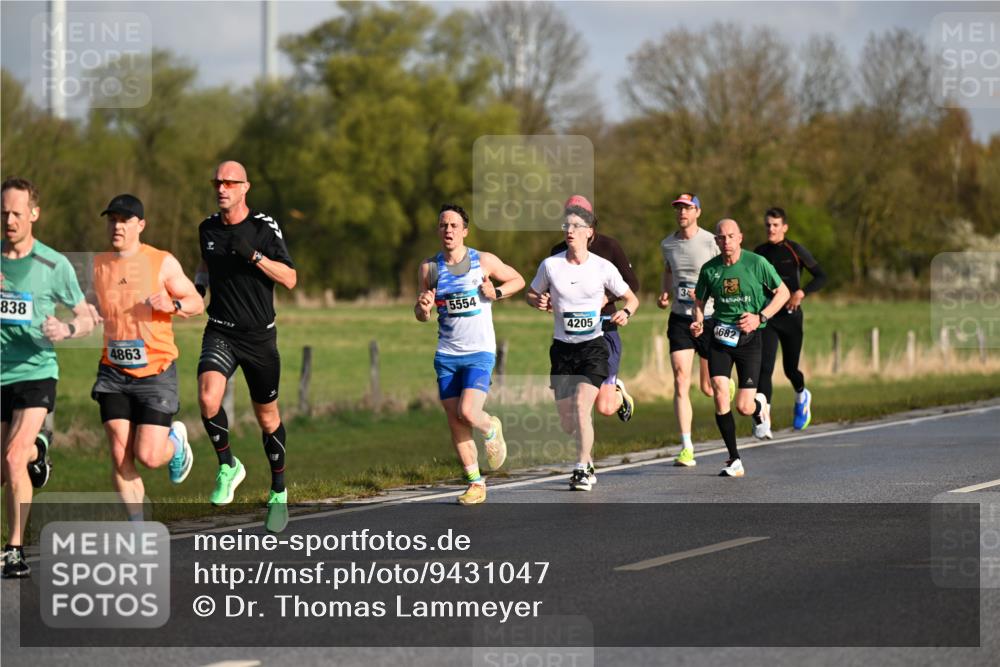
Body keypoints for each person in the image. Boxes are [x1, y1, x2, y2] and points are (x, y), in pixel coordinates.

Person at [195, 161, 297, 533]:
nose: (222, 188)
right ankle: (228, 466)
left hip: (259, 338)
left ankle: (278, 492)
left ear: (245, 188)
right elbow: (205, 262)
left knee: (267, 418)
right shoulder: (206, 227)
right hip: (220, 330)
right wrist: (198, 288)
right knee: (207, 399)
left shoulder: (263, 228)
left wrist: (253, 255)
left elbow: (290, 278)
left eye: (230, 182)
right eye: (217, 182)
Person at [1, 178, 94, 578]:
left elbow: (87, 317)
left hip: (37, 371)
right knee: (5, 466)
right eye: (3, 212)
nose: (9, 220)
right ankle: (40, 450)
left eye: (17, 213)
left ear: (34, 214)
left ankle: (14, 549)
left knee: (11, 456)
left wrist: (66, 331)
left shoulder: (53, 264)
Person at [90, 194, 202, 519]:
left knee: (149, 456)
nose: (117, 226)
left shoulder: (161, 261)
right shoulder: (98, 265)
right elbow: (86, 303)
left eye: (124, 220)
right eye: (112, 219)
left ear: (141, 225)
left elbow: (196, 301)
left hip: (156, 373)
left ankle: (176, 441)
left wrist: (175, 306)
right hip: (113, 372)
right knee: (119, 453)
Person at [414, 204, 525, 506]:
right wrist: (423, 309)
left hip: (479, 352)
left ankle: (490, 427)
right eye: (442, 225)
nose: (447, 230)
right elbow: (421, 313)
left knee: (469, 412)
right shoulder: (430, 268)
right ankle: (475, 483)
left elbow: (517, 279)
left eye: (453, 225)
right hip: (447, 355)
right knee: (455, 421)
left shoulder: (482, 261)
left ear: (464, 230)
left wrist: (497, 293)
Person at [527, 206, 639, 491]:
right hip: (563, 350)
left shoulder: (603, 267)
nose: (570, 231)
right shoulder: (551, 265)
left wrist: (626, 313)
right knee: (568, 422)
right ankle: (586, 459)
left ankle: (581, 469)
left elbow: (631, 298)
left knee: (581, 406)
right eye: (566, 226)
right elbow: (532, 292)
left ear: (590, 232)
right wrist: (537, 301)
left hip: (593, 347)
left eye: (576, 226)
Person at [691, 219, 788, 477]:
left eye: (731, 237)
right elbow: (699, 302)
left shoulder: (756, 263)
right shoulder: (710, 270)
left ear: (740, 238)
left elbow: (783, 293)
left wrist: (761, 317)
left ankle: (759, 408)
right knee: (720, 392)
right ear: (716, 242)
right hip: (721, 339)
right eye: (721, 238)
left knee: (744, 406)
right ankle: (734, 459)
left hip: (750, 340)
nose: (726, 242)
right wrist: (698, 321)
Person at [550, 196, 640, 423]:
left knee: (606, 407)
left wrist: (605, 299)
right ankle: (585, 456)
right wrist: (544, 300)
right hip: (569, 338)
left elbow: (632, 285)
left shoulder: (609, 247)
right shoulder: (558, 252)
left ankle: (617, 393)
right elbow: (549, 289)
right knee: (577, 406)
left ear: (590, 225)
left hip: (604, 328)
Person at [657, 193, 722, 467]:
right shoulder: (668, 244)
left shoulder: (710, 241)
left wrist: (710, 292)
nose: (682, 213)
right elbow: (669, 269)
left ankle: (723, 384)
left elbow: (725, 270)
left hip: (708, 318)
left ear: (698, 211)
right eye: (679, 209)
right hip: (680, 319)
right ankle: (686, 447)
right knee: (681, 379)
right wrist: (664, 292)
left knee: (708, 388)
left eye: (687, 208)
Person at [753, 207, 827, 431]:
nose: (771, 229)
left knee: (789, 369)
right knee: (764, 368)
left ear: (784, 227)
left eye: (775, 225)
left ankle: (801, 395)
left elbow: (822, 276)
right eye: (767, 225)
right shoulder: (759, 252)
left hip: (791, 317)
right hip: (768, 317)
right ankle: (764, 418)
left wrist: (801, 293)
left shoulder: (794, 250)